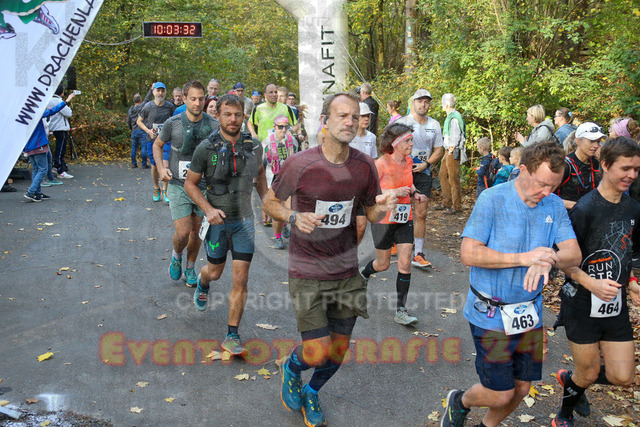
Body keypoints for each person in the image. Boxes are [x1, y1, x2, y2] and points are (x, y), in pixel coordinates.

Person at [262, 91, 396, 427]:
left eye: (355, 116)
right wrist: (293, 217)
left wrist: (384, 207)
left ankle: (313, 391)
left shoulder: (364, 165)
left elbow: (371, 212)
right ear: (325, 121)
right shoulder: (300, 164)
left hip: (346, 271)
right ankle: (292, 367)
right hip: (307, 270)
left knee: (338, 349)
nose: (350, 121)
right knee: (317, 351)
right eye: (342, 115)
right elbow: (269, 202)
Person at [441, 142, 581, 427]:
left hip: (529, 313)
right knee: (500, 393)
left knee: (521, 388)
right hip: (490, 313)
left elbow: (574, 254)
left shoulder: (554, 205)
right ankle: (460, 401)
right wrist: (524, 258)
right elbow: (469, 254)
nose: (547, 193)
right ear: (523, 170)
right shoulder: (493, 199)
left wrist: (549, 258)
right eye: (542, 184)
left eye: (554, 186)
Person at [552, 137, 640, 427]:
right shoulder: (585, 209)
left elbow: (629, 251)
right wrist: (591, 284)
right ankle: (564, 414)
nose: (631, 175)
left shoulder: (633, 208)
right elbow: (564, 261)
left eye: (636, 169)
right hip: (581, 301)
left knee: (623, 377)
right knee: (588, 373)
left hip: (614, 303)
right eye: (625, 168)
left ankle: (573, 379)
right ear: (605, 165)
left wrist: (632, 280)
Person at [185, 94, 268, 356]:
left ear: (244, 116)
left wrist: (267, 202)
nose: (233, 119)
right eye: (227, 114)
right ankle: (203, 281)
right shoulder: (205, 148)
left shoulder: (254, 146)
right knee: (215, 272)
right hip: (217, 223)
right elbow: (190, 183)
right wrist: (208, 210)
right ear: (218, 115)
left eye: (238, 115)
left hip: (244, 222)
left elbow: (260, 175)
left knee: (241, 277)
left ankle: (232, 335)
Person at [360, 122, 428, 325]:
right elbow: (370, 193)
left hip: (404, 217)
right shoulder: (380, 164)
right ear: (395, 143)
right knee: (382, 264)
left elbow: (409, 181)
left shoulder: (409, 161)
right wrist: (394, 192)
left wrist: (415, 193)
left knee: (405, 263)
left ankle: (401, 311)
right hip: (383, 218)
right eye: (407, 141)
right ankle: (364, 274)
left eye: (411, 140)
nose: (411, 144)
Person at [153, 80, 219, 287]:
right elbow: (157, 145)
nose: (197, 103)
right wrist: (161, 169)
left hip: (202, 187)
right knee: (182, 233)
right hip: (178, 185)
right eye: (193, 99)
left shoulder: (213, 125)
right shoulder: (173, 123)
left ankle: (190, 268)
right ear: (184, 99)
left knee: (196, 233)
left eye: (201, 99)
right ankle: (176, 256)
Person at [397, 89, 444, 268]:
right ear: (413, 102)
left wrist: (426, 164)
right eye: (420, 101)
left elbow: (439, 150)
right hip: (404, 172)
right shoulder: (403, 122)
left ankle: (418, 253)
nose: (423, 105)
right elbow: (390, 146)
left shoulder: (435, 124)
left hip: (424, 172)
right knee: (399, 210)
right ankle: (395, 243)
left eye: (426, 101)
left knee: (421, 213)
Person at [23, 92, 76, 202]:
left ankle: (37, 193)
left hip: (30, 145)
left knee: (36, 169)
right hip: (39, 144)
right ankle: (31, 192)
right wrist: (66, 101)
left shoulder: (25, 115)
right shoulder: (36, 114)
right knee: (43, 169)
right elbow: (52, 111)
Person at [262, 115, 298, 249]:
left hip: (289, 179)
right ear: (274, 127)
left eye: (286, 127)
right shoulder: (266, 142)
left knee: (289, 208)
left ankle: (284, 226)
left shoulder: (293, 141)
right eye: (280, 127)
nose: (283, 130)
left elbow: (297, 159)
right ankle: (278, 238)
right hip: (273, 179)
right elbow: (261, 164)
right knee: (276, 213)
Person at [136, 82, 175, 202]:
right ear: (153, 92)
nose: (160, 93)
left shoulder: (169, 106)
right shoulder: (148, 106)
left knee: (165, 165)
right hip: (152, 140)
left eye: (163, 91)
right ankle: (156, 188)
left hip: (166, 141)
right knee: (154, 166)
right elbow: (139, 121)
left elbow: (175, 120)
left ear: (165, 92)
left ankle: (165, 190)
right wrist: (148, 131)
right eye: (158, 90)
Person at [555, 122, 605, 209]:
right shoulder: (565, 165)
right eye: (591, 141)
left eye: (598, 141)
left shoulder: (595, 162)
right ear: (578, 141)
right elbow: (547, 196)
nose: (596, 146)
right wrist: (578, 206)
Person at [350, 102, 378, 244]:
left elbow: (374, 161)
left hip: (364, 188)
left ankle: (352, 252)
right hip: (347, 187)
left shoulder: (371, 137)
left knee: (361, 226)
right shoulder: (347, 136)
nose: (366, 119)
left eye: (368, 116)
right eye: (363, 116)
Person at [435, 93, 466, 214]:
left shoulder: (454, 117)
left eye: (443, 102)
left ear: (447, 104)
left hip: (453, 150)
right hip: (448, 150)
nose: (442, 105)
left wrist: (451, 150)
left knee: (453, 178)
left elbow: (455, 136)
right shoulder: (450, 116)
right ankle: (447, 201)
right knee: (442, 174)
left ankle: (457, 206)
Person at [46, 85, 74, 179]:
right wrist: (67, 102)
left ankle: (56, 166)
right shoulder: (58, 101)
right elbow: (68, 113)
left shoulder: (49, 100)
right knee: (61, 149)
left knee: (58, 147)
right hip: (60, 127)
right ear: (61, 92)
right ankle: (60, 169)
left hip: (53, 126)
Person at [127, 93, 149, 169]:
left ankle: (134, 163)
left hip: (134, 130)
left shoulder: (130, 110)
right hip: (142, 129)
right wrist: (151, 90)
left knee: (134, 147)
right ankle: (144, 164)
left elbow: (128, 121)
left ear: (133, 100)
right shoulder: (141, 107)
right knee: (143, 147)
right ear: (140, 100)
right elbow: (147, 99)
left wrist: (131, 129)